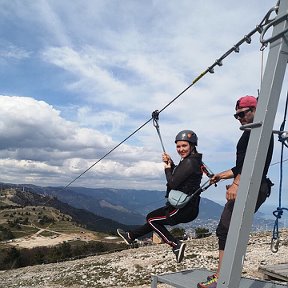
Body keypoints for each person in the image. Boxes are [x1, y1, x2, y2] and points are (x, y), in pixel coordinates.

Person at [197, 95, 274, 288]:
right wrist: (221, 176)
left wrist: (237, 184)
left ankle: (222, 278)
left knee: (225, 229)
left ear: (255, 110)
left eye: (241, 114)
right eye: (236, 115)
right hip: (255, 185)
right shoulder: (252, 131)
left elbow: (252, 162)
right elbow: (240, 166)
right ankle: (222, 275)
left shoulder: (256, 131)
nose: (239, 118)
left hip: (251, 186)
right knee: (227, 229)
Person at [117, 130, 203, 263]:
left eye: (184, 146)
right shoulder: (191, 161)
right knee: (154, 219)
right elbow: (182, 176)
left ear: (192, 145)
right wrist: (172, 163)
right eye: (178, 146)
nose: (180, 149)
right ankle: (130, 236)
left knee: (151, 218)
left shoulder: (190, 162)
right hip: (189, 207)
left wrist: (167, 168)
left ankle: (175, 245)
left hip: (182, 208)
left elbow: (173, 183)